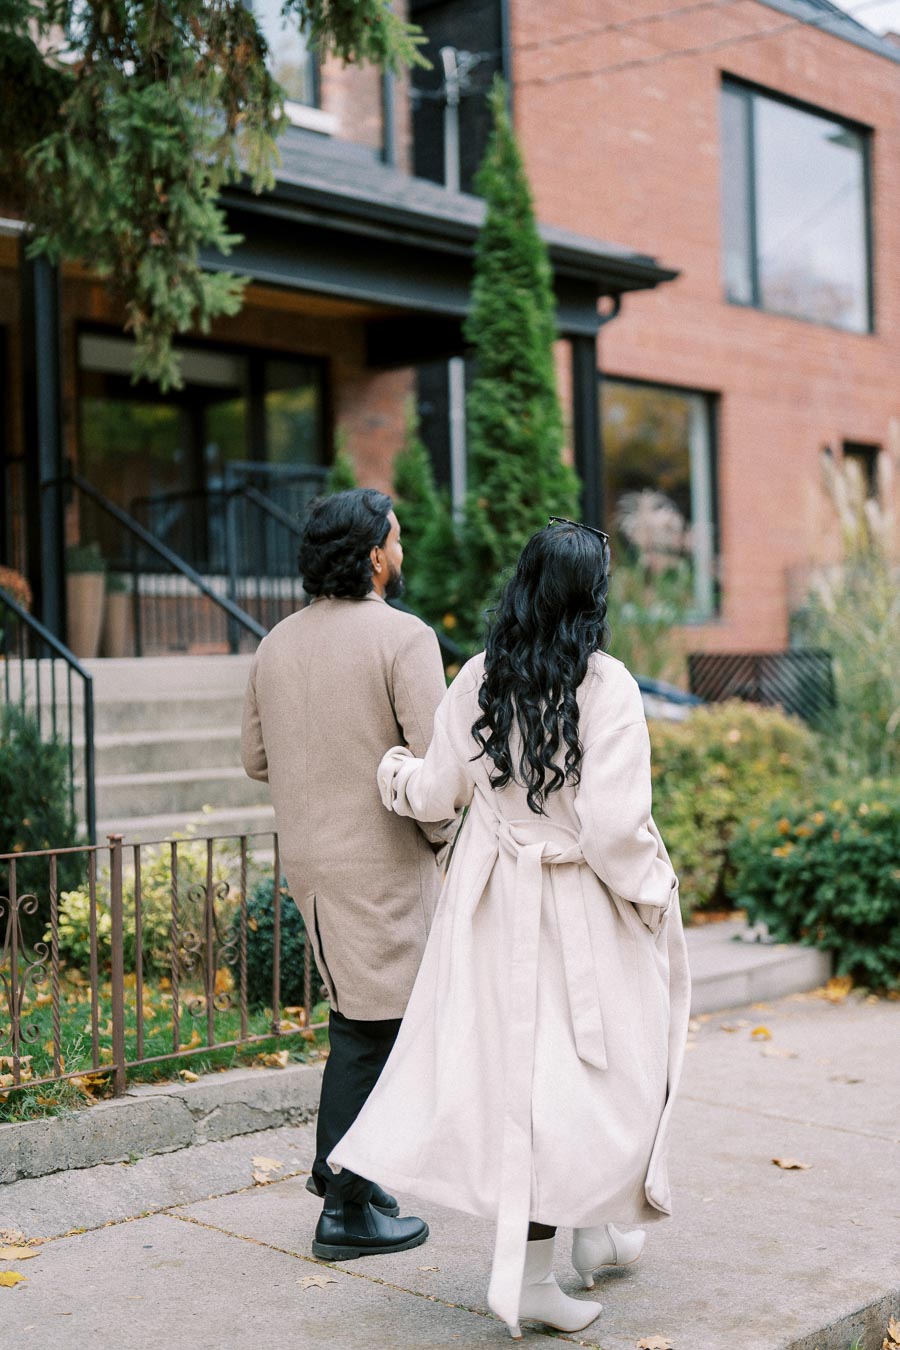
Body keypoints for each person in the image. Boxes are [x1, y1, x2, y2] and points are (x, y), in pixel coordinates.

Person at [329, 519, 691, 1338]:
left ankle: (592, 1231)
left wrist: (391, 773)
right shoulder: (607, 686)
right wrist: (654, 891)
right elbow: (614, 828)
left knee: (532, 1085)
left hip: (490, 912)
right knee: (601, 1080)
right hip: (581, 912)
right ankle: (531, 1278)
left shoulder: (481, 677)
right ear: (591, 597)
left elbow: (433, 793)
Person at [241, 487, 455, 1262]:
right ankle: (343, 1202)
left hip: (313, 860)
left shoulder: (275, 643)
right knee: (373, 1030)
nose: (403, 552)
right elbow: (438, 768)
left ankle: (350, 1177)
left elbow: (255, 759)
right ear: (372, 556)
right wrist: (448, 839)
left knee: (370, 1019)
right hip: (386, 861)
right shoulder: (404, 638)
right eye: (396, 540)